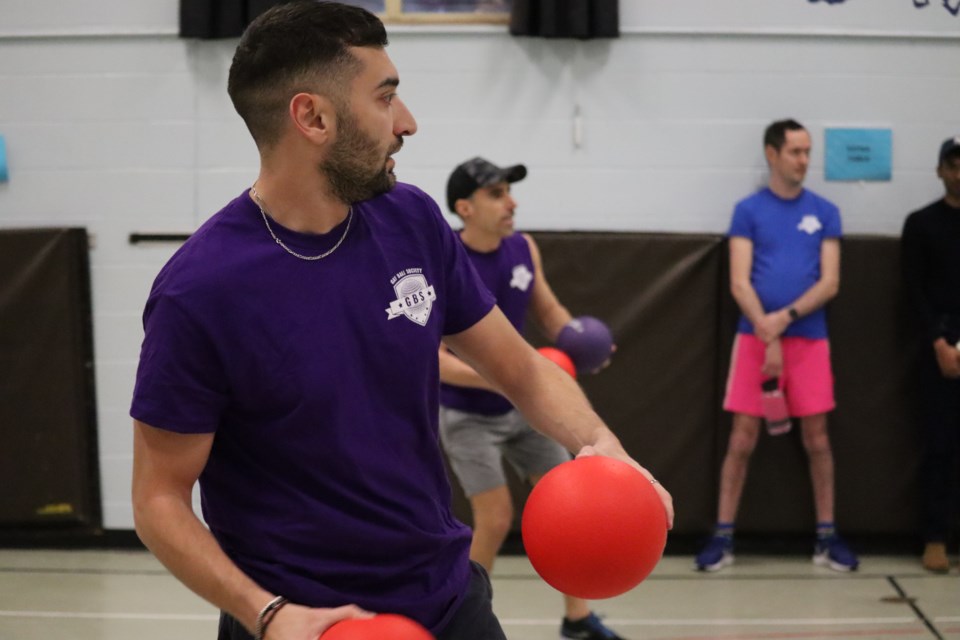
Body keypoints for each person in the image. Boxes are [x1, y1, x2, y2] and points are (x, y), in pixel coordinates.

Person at [129, 4, 673, 640]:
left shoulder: (411, 221)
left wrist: (599, 444)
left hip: (446, 595)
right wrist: (268, 614)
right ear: (312, 117)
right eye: (386, 98)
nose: (407, 123)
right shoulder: (201, 290)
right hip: (307, 622)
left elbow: (520, 368)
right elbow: (159, 498)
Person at [438, 157, 624, 640]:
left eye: (509, 192)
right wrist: (507, 379)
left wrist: (581, 342)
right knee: (496, 517)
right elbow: (434, 359)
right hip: (464, 413)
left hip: (520, 409)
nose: (511, 202)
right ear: (465, 207)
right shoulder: (446, 260)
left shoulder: (523, 248)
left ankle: (578, 620)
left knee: (573, 504)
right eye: (496, 194)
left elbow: (548, 308)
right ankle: (463, 617)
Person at [695, 119, 859, 573]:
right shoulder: (748, 211)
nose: (804, 161)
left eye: (808, 152)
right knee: (743, 437)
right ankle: (723, 537)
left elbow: (829, 282)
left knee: (817, 438)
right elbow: (738, 280)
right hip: (753, 340)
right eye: (795, 152)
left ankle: (827, 537)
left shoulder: (825, 211)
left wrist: (783, 321)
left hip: (808, 340)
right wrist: (765, 330)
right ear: (772, 154)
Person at [900, 136, 960, 574]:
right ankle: (935, 536)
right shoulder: (921, 224)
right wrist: (939, 343)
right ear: (941, 170)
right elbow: (914, 291)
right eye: (954, 165)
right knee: (940, 444)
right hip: (938, 349)